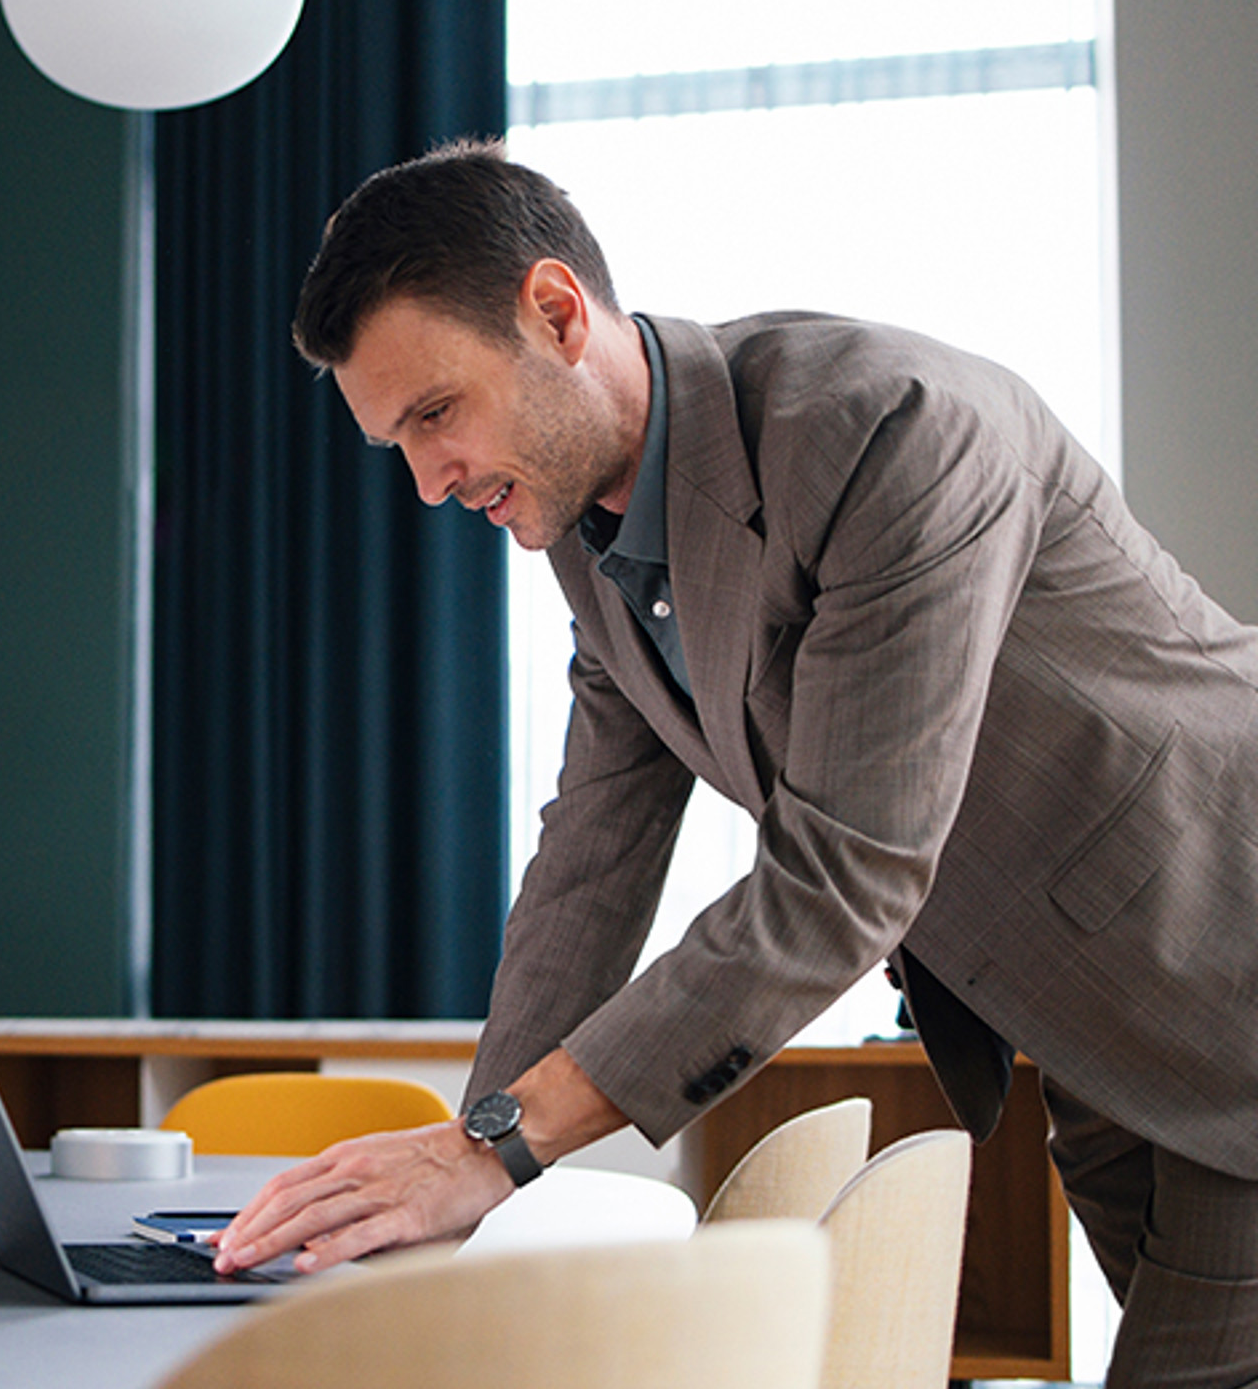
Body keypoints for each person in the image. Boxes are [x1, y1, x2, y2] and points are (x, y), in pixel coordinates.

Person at [213, 140, 1258, 1384]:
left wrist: (495, 1152)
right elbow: (589, 861)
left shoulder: (891, 426)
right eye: (399, 445)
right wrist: (471, 1156)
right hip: (1093, 1030)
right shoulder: (593, 535)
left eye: (437, 414)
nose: (433, 483)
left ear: (555, 314)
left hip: (1222, 970)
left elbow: (844, 873)